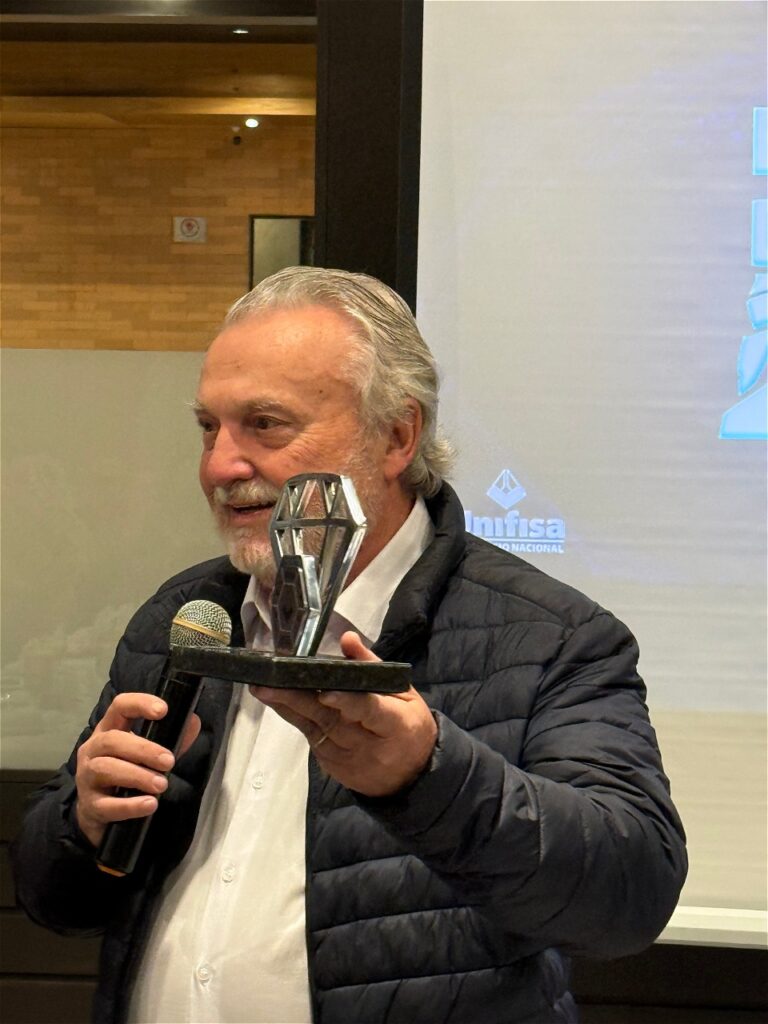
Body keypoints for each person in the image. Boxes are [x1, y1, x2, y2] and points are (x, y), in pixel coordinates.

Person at [12, 267, 686, 1024]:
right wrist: (84, 825)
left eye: (265, 424)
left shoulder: (551, 637)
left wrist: (429, 778)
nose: (220, 466)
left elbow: (629, 897)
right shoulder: (186, 615)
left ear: (397, 435)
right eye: (208, 427)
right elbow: (54, 899)